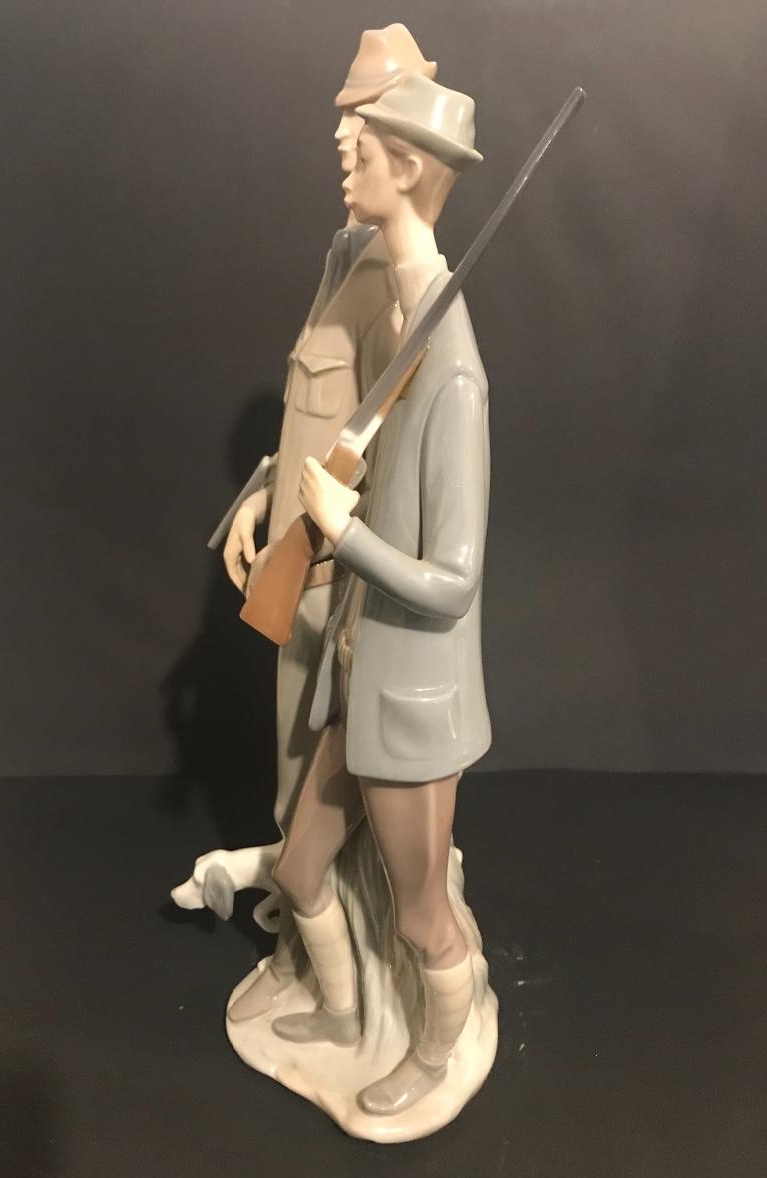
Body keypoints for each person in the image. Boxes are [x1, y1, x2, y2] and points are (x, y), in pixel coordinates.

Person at [270, 72, 493, 1119]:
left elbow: (454, 582)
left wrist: (345, 531)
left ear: (405, 167)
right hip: (354, 679)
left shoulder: (452, 371)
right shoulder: (405, 322)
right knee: (300, 868)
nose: (342, 155)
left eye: (359, 145)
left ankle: (434, 1056)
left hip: (410, 704)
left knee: (420, 916)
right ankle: (342, 1008)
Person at [223, 26, 438, 1023]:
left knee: (314, 805)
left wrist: (334, 553)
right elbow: (318, 417)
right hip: (291, 561)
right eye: (343, 116)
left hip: (330, 583)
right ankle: (310, 964)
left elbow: (392, 457)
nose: (341, 138)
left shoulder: (401, 292)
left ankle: (340, 988)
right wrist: (259, 494)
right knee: (290, 795)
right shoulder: (346, 253)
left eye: (360, 119)